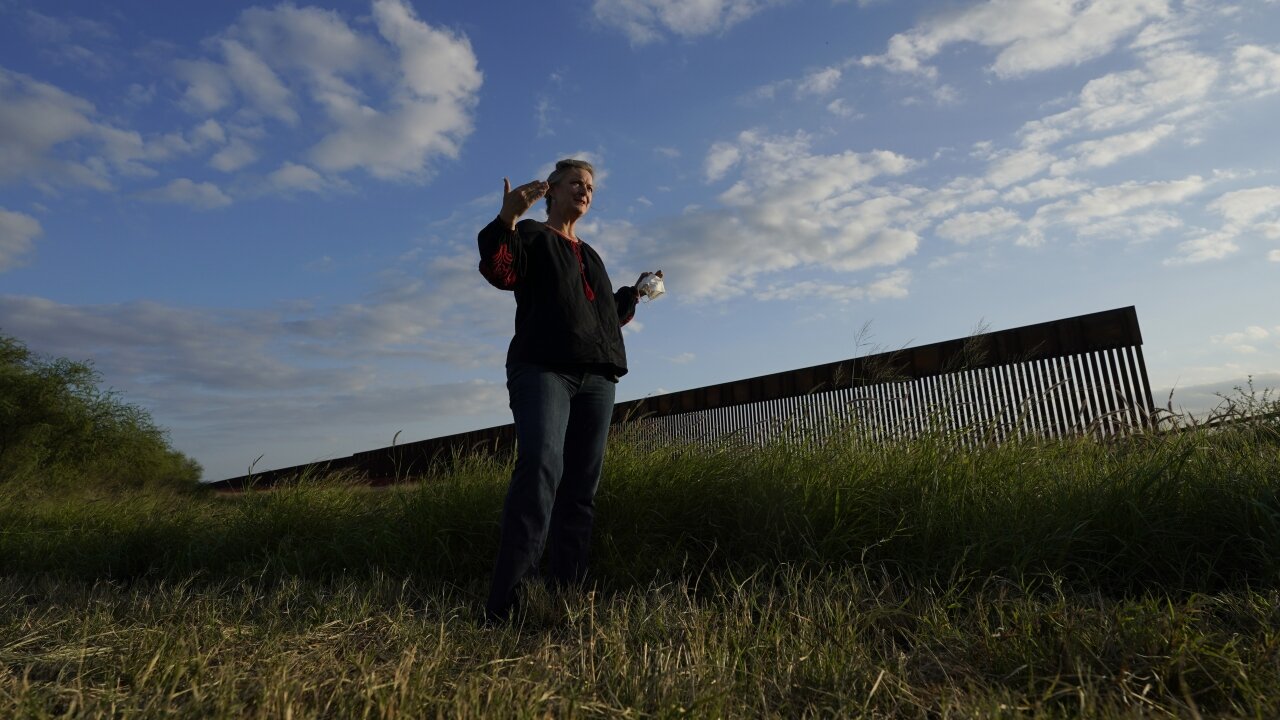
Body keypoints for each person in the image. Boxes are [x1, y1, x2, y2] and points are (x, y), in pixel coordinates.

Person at [477, 158, 661, 622]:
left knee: (580, 487)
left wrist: (636, 294)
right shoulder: (532, 238)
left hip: (597, 378)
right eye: (575, 183)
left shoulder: (591, 255)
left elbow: (603, 316)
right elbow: (501, 272)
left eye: (591, 187)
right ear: (550, 190)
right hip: (543, 369)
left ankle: (567, 593)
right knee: (541, 466)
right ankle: (510, 603)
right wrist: (507, 218)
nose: (585, 191)